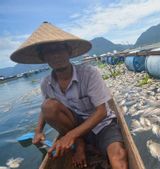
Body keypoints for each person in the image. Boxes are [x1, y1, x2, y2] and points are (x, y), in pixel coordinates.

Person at [10, 22, 128, 169]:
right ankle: (80, 145)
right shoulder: (46, 83)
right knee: (49, 106)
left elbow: (102, 112)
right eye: (49, 52)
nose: (56, 55)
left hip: (101, 125)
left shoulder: (89, 73)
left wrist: (69, 136)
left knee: (119, 157)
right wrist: (38, 131)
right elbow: (44, 110)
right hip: (73, 126)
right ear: (43, 57)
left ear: (69, 51)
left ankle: (82, 143)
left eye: (59, 49)